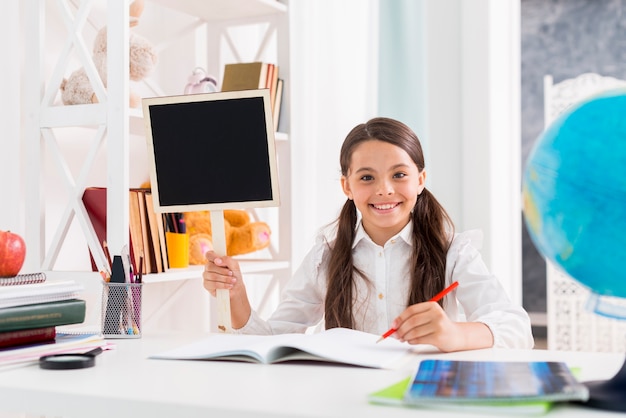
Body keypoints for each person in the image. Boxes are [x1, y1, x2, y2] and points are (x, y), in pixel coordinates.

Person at [203, 117, 534, 352]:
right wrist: (236, 296)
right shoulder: (327, 256)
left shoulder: (454, 251)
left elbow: (516, 329)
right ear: (346, 186)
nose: (385, 190)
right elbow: (273, 339)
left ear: (420, 180)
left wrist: (454, 335)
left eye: (399, 174)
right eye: (367, 178)